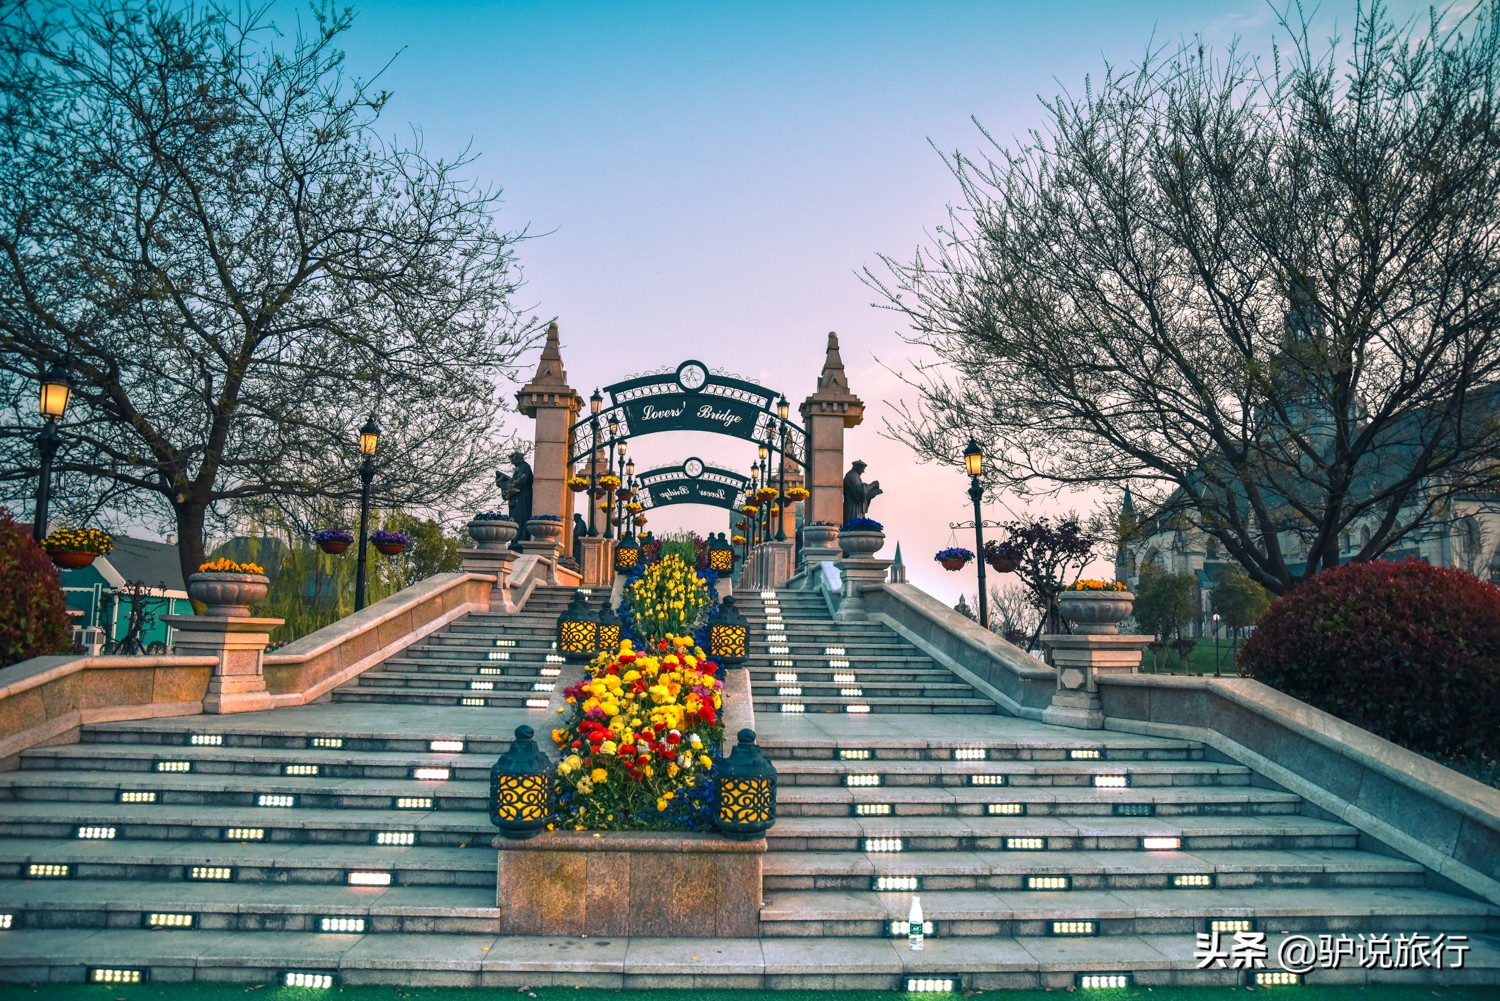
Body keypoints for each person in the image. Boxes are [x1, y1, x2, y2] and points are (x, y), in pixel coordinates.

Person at [495, 452, 534, 545]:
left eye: (512, 458)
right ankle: (516, 540)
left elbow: (517, 483)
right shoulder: (520, 467)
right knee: (516, 519)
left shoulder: (524, 467)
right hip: (518, 498)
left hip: (522, 499)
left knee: (520, 519)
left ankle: (520, 540)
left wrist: (503, 483)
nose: (511, 461)